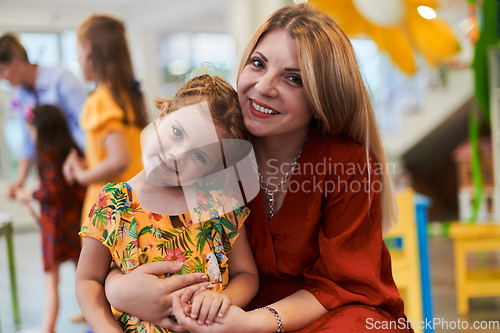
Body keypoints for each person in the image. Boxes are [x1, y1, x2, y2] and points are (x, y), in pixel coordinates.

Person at [104, 4, 413, 332]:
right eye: (258, 63)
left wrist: (254, 323)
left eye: (294, 78)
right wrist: (116, 287)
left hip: (328, 315)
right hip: (225, 314)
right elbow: (140, 232)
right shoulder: (211, 151)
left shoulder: (349, 164)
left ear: (322, 99)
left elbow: (344, 285)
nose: (264, 86)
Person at [75, 74, 259, 333]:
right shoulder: (113, 202)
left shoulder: (218, 203)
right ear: (163, 114)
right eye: (177, 132)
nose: (176, 155)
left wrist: (225, 299)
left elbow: (246, 275)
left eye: (199, 155)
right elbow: (88, 280)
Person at [63, 15, 148, 223]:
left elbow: (119, 159)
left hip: (110, 208)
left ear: (88, 49)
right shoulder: (130, 96)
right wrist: (86, 164)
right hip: (136, 201)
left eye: (77, 52)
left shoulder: (101, 99)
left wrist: (82, 176)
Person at [14, 105, 86, 333]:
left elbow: (51, 191)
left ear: (42, 130)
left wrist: (29, 194)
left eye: (32, 131)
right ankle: (92, 315)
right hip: (76, 222)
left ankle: (48, 328)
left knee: (51, 282)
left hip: (55, 227)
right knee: (85, 275)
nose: (31, 136)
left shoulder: (48, 155)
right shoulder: (71, 150)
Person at [0, 33, 87, 200]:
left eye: (2, 71)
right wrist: (20, 181)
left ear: (17, 62)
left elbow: (85, 124)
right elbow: (27, 140)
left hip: (79, 164)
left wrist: (86, 161)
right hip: (54, 171)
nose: (2, 78)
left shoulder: (61, 79)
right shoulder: (20, 96)